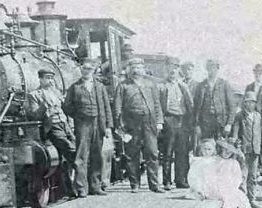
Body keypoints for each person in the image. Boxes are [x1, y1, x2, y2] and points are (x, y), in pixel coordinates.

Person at [63, 59, 114, 197]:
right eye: (84, 68)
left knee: (97, 155)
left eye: (89, 69)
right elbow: (67, 106)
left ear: (94, 71)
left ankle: (95, 186)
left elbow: (106, 107)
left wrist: (108, 126)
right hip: (83, 124)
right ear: (81, 70)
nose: (86, 71)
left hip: (98, 122)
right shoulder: (74, 87)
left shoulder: (100, 87)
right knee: (81, 156)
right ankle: (81, 189)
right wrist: (78, 116)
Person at [114, 57, 165, 193]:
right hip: (131, 124)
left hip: (149, 123)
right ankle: (134, 184)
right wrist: (120, 125)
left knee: (152, 153)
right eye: (134, 67)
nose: (136, 70)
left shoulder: (150, 84)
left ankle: (154, 185)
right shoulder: (123, 85)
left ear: (143, 69)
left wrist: (159, 121)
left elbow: (156, 104)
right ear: (130, 70)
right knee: (132, 154)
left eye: (139, 67)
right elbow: (117, 107)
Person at [25, 68, 77, 197]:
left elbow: (66, 110)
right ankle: (81, 186)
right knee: (72, 151)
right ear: (40, 79)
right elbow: (34, 116)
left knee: (65, 159)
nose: (50, 81)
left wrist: (70, 126)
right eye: (47, 78)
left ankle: (70, 189)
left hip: (65, 125)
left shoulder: (56, 93)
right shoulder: (34, 95)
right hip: (52, 127)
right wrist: (43, 106)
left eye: (51, 78)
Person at [187, 138, 256, 208]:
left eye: (230, 151)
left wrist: (232, 186)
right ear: (220, 149)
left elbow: (237, 178)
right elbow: (208, 176)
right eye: (225, 150)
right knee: (227, 197)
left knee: (239, 196)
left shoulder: (233, 163)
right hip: (214, 187)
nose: (227, 153)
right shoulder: (214, 160)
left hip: (228, 187)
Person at [159, 57, 194, 190]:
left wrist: (190, 123)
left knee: (182, 152)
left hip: (183, 120)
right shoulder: (162, 86)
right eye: (170, 68)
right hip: (169, 119)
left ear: (179, 69)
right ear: (166, 69)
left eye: (175, 68)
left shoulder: (183, 86)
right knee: (168, 152)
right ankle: (166, 181)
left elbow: (190, 105)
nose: (173, 70)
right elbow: (159, 106)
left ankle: (181, 180)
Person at [193, 59, 236, 155]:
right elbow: (196, 108)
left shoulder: (224, 84)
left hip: (221, 123)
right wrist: (197, 124)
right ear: (207, 69)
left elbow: (232, 106)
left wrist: (229, 124)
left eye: (214, 68)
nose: (212, 70)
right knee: (206, 148)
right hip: (205, 123)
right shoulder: (201, 86)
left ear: (218, 69)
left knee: (221, 149)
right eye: (209, 68)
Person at [229, 91, 262, 208]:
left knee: (253, 176)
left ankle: (252, 199)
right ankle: (242, 200)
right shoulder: (239, 116)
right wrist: (237, 145)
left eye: (253, 102)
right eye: (248, 102)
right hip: (243, 150)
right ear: (245, 103)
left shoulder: (258, 116)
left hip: (255, 150)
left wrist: (260, 149)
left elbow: (260, 134)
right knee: (242, 176)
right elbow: (235, 133)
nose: (251, 105)